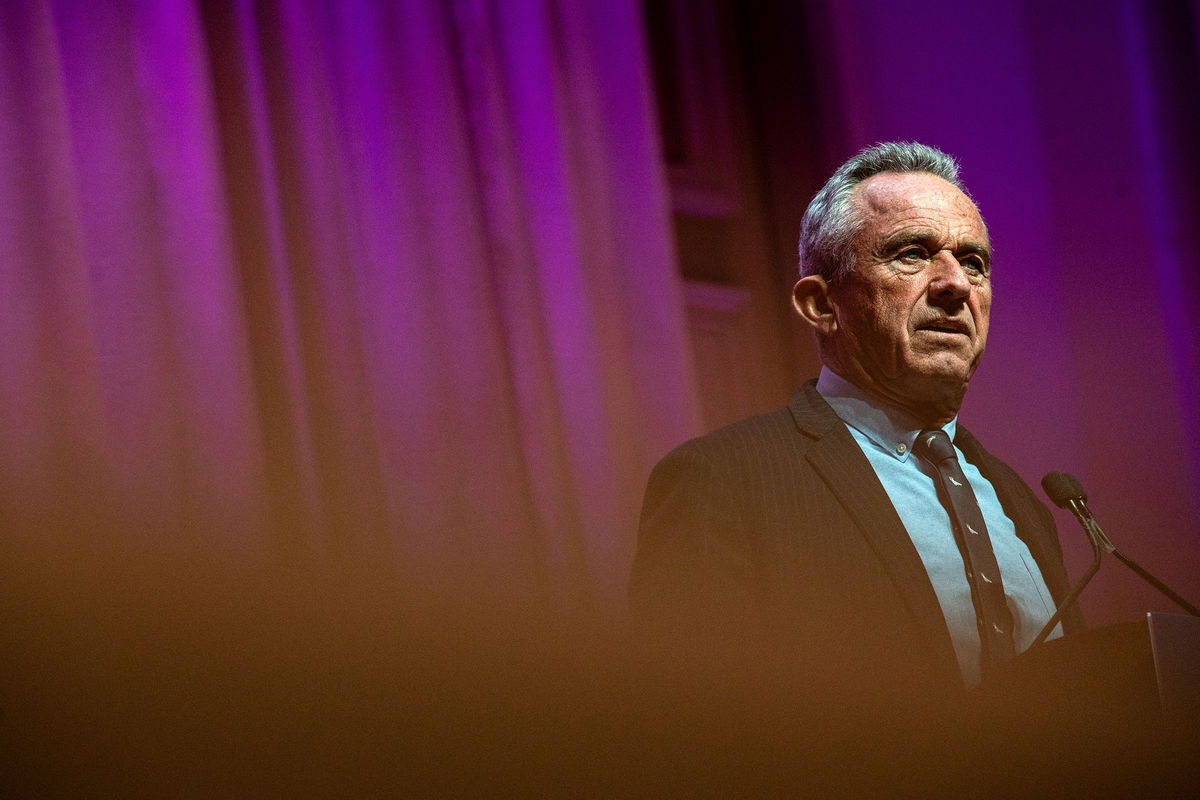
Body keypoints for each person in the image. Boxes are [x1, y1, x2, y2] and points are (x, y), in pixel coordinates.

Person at [629, 142, 1081, 696]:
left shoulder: (1025, 505)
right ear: (822, 305)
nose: (955, 285)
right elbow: (688, 718)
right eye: (911, 253)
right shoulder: (722, 479)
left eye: (974, 263)